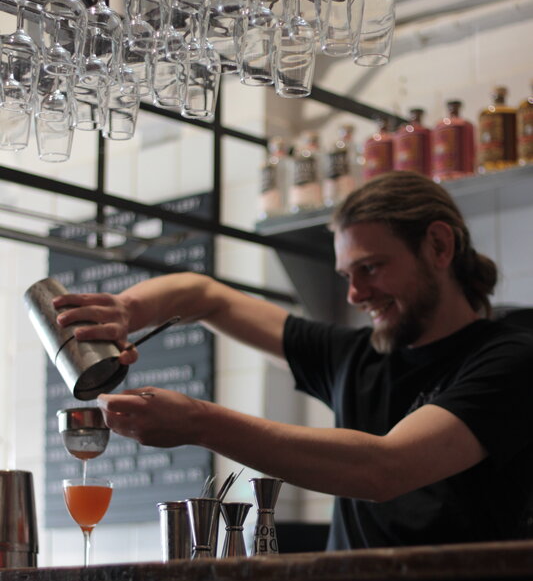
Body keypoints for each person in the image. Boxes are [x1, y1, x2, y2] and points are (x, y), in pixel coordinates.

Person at [53, 171, 533, 549]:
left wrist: (199, 423)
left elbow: (386, 469)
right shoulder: (355, 357)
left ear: (439, 246)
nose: (355, 293)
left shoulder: (509, 358)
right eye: (347, 273)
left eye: (370, 268)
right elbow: (204, 296)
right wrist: (126, 311)